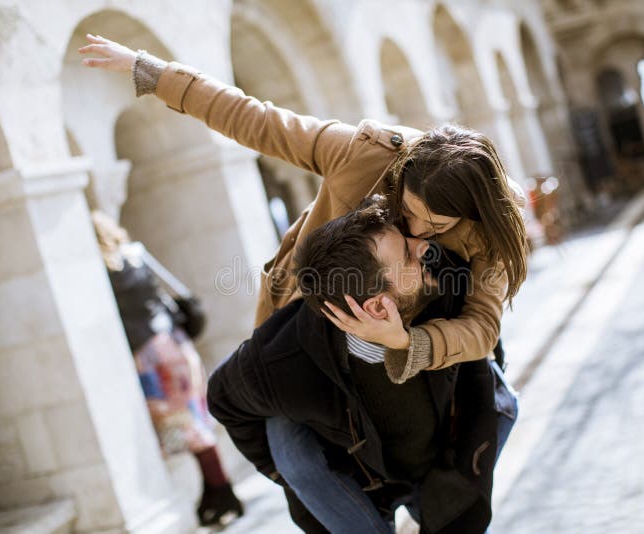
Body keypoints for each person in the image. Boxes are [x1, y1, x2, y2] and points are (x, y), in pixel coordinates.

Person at [79, 34, 529, 384]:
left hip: (419, 344)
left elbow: (482, 326)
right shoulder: (365, 153)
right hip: (307, 317)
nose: (413, 231)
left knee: (487, 406)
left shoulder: (490, 226)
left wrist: (404, 341)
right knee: (282, 441)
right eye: (407, 211)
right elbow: (258, 120)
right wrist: (151, 72)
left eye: (434, 226)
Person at [207, 195, 518, 533]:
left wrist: (458, 505)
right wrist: (288, 478)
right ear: (376, 308)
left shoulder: (442, 278)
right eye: (406, 255)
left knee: (498, 390)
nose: (422, 247)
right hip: (357, 481)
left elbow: (484, 359)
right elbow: (222, 400)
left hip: (439, 460)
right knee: (282, 430)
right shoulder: (278, 360)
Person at [91, 211, 244, 527]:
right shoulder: (135, 253)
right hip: (175, 344)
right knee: (191, 423)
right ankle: (214, 493)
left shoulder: (99, 270)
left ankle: (223, 494)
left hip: (150, 357)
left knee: (187, 428)